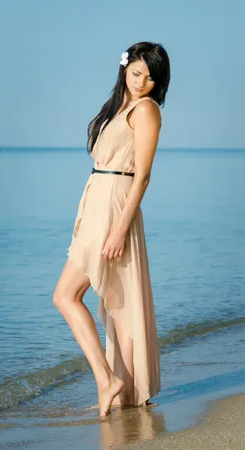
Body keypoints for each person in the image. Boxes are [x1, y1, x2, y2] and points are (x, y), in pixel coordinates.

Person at [53, 41, 171, 417]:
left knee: (65, 296)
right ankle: (119, 384)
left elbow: (144, 176)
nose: (142, 82)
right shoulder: (117, 108)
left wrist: (119, 229)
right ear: (125, 69)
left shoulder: (146, 110)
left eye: (150, 77)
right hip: (99, 201)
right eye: (137, 73)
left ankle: (109, 381)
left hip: (115, 206)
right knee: (111, 299)